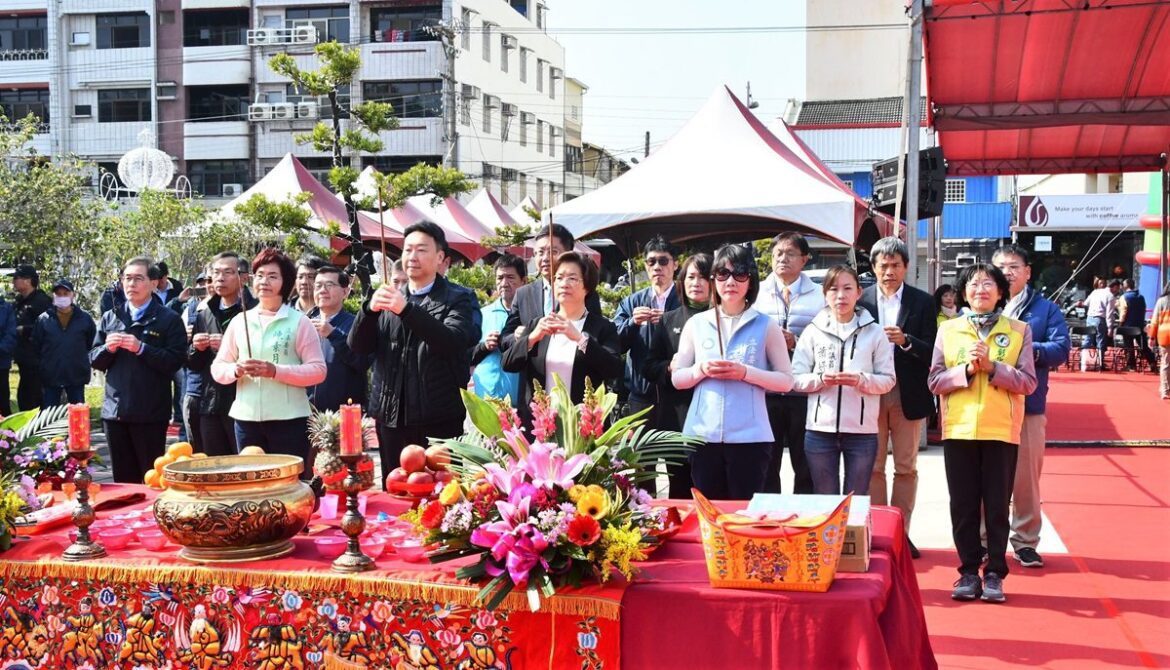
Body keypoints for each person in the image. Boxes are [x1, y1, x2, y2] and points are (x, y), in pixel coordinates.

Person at [929, 263, 1037, 603]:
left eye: (989, 284)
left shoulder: (1018, 330)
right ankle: (967, 572)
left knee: (995, 506)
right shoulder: (949, 330)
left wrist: (994, 368)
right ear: (964, 293)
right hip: (959, 429)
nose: (981, 290)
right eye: (974, 284)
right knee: (962, 505)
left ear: (1001, 292)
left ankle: (994, 574)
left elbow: (1029, 382)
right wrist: (965, 370)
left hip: (1001, 430)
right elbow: (934, 380)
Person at [349, 222, 480, 485]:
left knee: (441, 498)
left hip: (438, 418)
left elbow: (453, 341)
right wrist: (368, 311)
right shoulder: (389, 297)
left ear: (440, 257)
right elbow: (359, 347)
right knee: (394, 492)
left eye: (421, 250)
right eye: (407, 250)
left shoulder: (460, 298)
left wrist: (407, 310)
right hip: (391, 418)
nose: (412, 257)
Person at [671, 244, 795, 500]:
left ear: (751, 280)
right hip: (702, 435)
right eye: (723, 274)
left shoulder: (765, 325)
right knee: (709, 511)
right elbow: (678, 378)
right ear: (714, 279)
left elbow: (786, 381)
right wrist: (700, 370)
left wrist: (745, 372)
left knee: (744, 514)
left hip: (751, 437)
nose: (731, 281)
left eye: (739, 274)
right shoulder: (697, 324)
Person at [858, 237, 937, 559]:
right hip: (871, 391)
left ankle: (901, 533)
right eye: (883, 265)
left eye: (895, 265)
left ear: (906, 267)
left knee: (906, 466)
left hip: (909, 392)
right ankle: (878, 531)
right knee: (873, 466)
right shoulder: (860, 300)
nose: (888, 271)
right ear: (874, 268)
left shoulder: (922, 302)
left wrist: (907, 341)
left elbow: (934, 350)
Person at [992, 244, 1071, 569]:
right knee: (987, 477)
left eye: (1013, 266)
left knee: (1026, 478)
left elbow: (1061, 348)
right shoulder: (980, 304)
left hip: (1029, 404)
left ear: (1027, 272)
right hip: (986, 404)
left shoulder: (1045, 309)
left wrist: (1024, 347)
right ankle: (984, 541)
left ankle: (1025, 542)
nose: (1007, 272)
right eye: (1001, 266)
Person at [210, 249, 326, 462]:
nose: (264, 281)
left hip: (290, 420)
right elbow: (218, 368)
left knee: (289, 485)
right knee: (252, 482)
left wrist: (275, 371)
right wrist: (236, 369)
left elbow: (318, 371)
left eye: (272, 276)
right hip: (246, 419)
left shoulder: (299, 322)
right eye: (260, 275)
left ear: (285, 282)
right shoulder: (239, 321)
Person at [791, 265, 896, 496]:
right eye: (833, 289)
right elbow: (795, 379)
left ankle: (852, 534)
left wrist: (861, 379)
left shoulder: (875, 332)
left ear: (859, 292)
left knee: (856, 499)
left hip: (862, 432)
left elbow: (888, 380)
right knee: (825, 498)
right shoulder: (813, 331)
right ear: (824, 294)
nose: (841, 295)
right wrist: (820, 379)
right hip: (819, 431)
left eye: (848, 288)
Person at [90, 257, 187, 483]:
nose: (131, 284)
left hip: (150, 413)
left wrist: (142, 349)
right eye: (127, 278)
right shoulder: (111, 316)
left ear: (153, 283)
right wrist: (108, 348)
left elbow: (175, 361)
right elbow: (94, 360)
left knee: (150, 479)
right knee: (122, 482)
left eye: (138, 279)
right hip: (115, 412)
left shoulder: (168, 319)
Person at [503, 251, 623, 428]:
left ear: (587, 286)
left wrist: (580, 339)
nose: (564, 284)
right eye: (559, 278)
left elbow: (614, 370)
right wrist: (532, 338)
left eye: (572, 278)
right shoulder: (539, 324)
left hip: (582, 427)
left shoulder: (602, 327)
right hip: (539, 424)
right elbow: (508, 363)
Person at [754, 232, 825, 494]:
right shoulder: (756, 293)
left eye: (790, 253)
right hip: (765, 390)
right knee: (766, 462)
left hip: (804, 391)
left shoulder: (820, 295)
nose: (783, 259)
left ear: (805, 259)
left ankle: (803, 522)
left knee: (805, 462)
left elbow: (827, 339)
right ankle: (769, 521)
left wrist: (798, 342)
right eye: (778, 254)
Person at [646, 253, 713, 498]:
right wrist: (668, 368)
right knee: (680, 491)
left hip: (715, 419)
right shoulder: (668, 320)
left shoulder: (725, 319)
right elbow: (649, 366)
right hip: (677, 417)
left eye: (703, 277)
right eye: (691, 277)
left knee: (712, 491)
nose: (696, 283)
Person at [188, 252, 258, 456]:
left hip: (244, 401)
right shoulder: (205, 312)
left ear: (244, 278)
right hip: (211, 402)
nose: (220, 277)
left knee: (245, 464)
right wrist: (196, 348)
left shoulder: (254, 311)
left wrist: (229, 347)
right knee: (215, 464)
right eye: (216, 272)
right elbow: (192, 363)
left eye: (228, 272)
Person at [500, 224, 602, 351]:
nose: (545, 258)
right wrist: (516, 336)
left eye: (553, 252)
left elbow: (596, 336)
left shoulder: (584, 293)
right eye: (540, 252)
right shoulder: (523, 294)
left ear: (568, 254)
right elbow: (504, 339)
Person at [613, 236, 681, 424]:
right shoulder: (632, 302)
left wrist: (670, 320)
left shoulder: (685, 300)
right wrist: (632, 323)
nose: (657, 267)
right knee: (640, 453)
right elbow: (615, 344)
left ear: (675, 265)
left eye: (663, 261)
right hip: (641, 395)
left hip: (678, 393)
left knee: (676, 452)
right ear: (645, 266)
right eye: (651, 262)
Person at [307, 265, 370, 412]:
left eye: (329, 285)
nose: (322, 290)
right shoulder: (305, 324)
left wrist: (333, 334)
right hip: (306, 415)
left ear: (345, 292)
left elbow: (362, 362)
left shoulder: (357, 324)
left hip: (344, 415)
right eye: (318, 286)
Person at [31, 280, 96, 407]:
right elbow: (36, 345)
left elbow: (91, 343)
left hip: (76, 374)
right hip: (51, 374)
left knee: (78, 415)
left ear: (73, 295)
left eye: (65, 293)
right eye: (58, 294)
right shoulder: (44, 319)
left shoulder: (85, 319)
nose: (62, 297)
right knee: (48, 416)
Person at [471, 255, 526, 406]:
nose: (504, 283)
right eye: (500, 278)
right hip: (486, 404)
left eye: (510, 277)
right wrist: (484, 346)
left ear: (524, 281)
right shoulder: (482, 314)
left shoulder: (531, 315)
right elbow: (466, 355)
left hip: (521, 406)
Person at [11, 265, 53, 411]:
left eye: (17, 278)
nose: (14, 281)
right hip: (23, 358)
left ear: (28, 281)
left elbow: (49, 328)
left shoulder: (41, 301)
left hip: (37, 360)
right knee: (24, 396)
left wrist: (25, 330)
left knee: (33, 397)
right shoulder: (19, 301)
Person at [1081, 278, 1120, 371]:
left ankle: (1083, 362)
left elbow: (1086, 303)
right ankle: (1100, 364)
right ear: (1114, 287)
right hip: (1100, 319)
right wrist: (1110, 327)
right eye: (1118, 288)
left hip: (1090, 317)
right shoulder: (1110, 296)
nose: (1118, 291)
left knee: (1088, 339)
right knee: (1101, 341)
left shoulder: (1095, 292)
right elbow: (1109, 314)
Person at [1118, 278, 1156, 371]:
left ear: (1126, 286)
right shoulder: (1141, 297)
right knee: (1143, 346)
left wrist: (1120, 323)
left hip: (1128, 326)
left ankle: (1131, 365)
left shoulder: (1124, 297)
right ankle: (1152, 362)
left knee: (1129, 346)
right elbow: (1144, 308)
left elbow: (1123, 312)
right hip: (1139, 325)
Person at [1149, 283, 1170, 399]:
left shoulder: (1161, 301)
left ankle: (1165, 390)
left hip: (1164, 334)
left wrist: (1151, 337)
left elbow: (1155, 321)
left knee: (1165, 363)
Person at [0, 292, 17, 416]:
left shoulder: (6, 308)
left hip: (1, 362)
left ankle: (6, 433)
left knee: (2, 401)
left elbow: (11, 334)